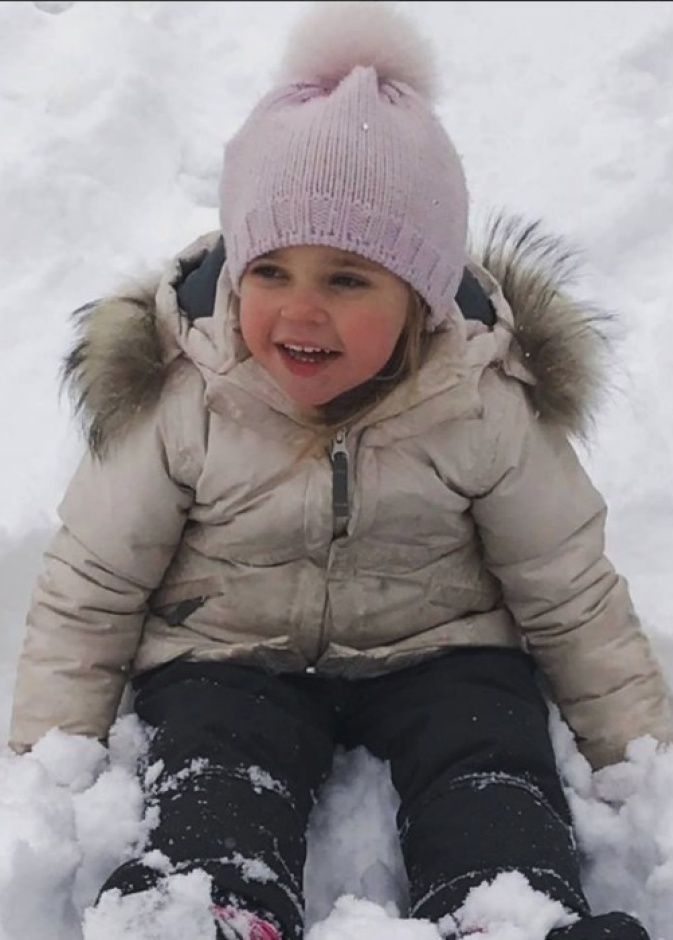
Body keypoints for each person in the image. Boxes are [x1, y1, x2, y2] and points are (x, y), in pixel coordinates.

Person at [8, 3, 672, 939]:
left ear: (421, 297)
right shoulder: (187, 394)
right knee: (212, 763)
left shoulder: (480, 399)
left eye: (347, 279)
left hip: (440, 649)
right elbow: (94, 582)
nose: (298, 311)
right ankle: (207, 905)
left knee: (489, 763)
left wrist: (638, 759)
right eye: (269, 271)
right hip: (232, 652)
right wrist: (49, 760)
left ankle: (507, 911)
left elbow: (568, 588)